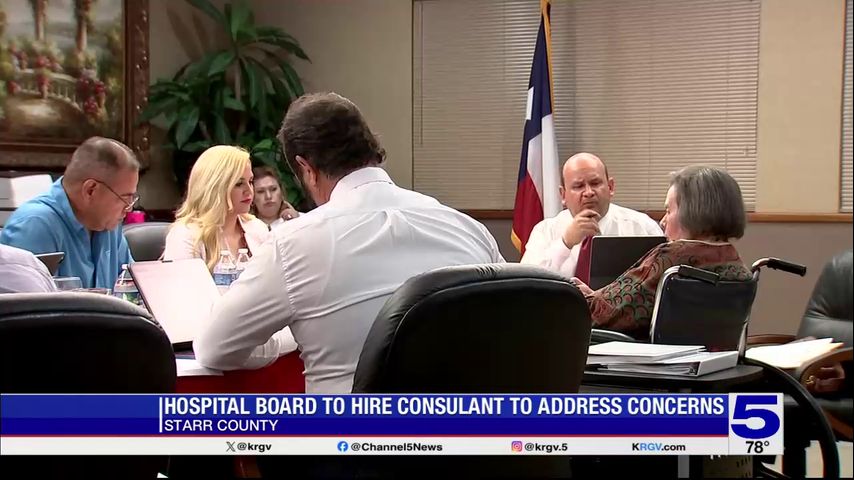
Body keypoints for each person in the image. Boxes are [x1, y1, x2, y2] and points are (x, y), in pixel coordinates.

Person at [194, 92, 505, 393]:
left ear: (307, 169)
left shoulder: (293, 245)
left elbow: (214, 348)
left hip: (348, 426)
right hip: (467, 425)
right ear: (370, 148)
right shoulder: (469, 229)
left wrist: (279, 342)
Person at [572, 165, 752, 339]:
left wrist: (580, 297)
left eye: (668, 211)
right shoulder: (734, 261)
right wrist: (595, 296)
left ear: (690, 213)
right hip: (714, 357)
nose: (663, 221)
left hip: (650, 357)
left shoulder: (671, 259)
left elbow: (605, 316)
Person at [0, 137, 138, 289]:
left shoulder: (107, 224)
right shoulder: (34, 226)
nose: (129, 208)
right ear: (90, 190)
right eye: (125, 198)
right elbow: (27, 303)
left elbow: (132, 288)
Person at [520, 152, 662, 277]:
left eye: (595, 183)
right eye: (578, 186)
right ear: (563, 195)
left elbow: (660, 281)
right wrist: (565, 243)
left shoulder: (642, 227)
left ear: (610, 187)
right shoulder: (545, 231)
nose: (588, 192)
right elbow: (527, 282)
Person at [163, 145, 271, 270]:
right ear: (215, 188)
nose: (249, 191)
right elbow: (183, 282)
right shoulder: (185, 236)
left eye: (250, 181)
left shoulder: (257, 228)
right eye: (239, 183)